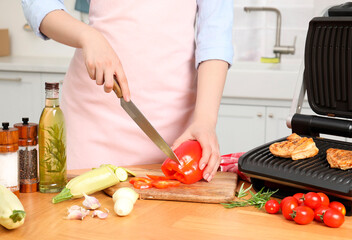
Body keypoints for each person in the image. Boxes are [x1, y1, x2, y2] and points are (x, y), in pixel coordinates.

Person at [22, 0, 233, 182]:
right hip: (92, 121)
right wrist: (87, 36)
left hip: (175, 131)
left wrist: (205, 121)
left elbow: (215, 35)